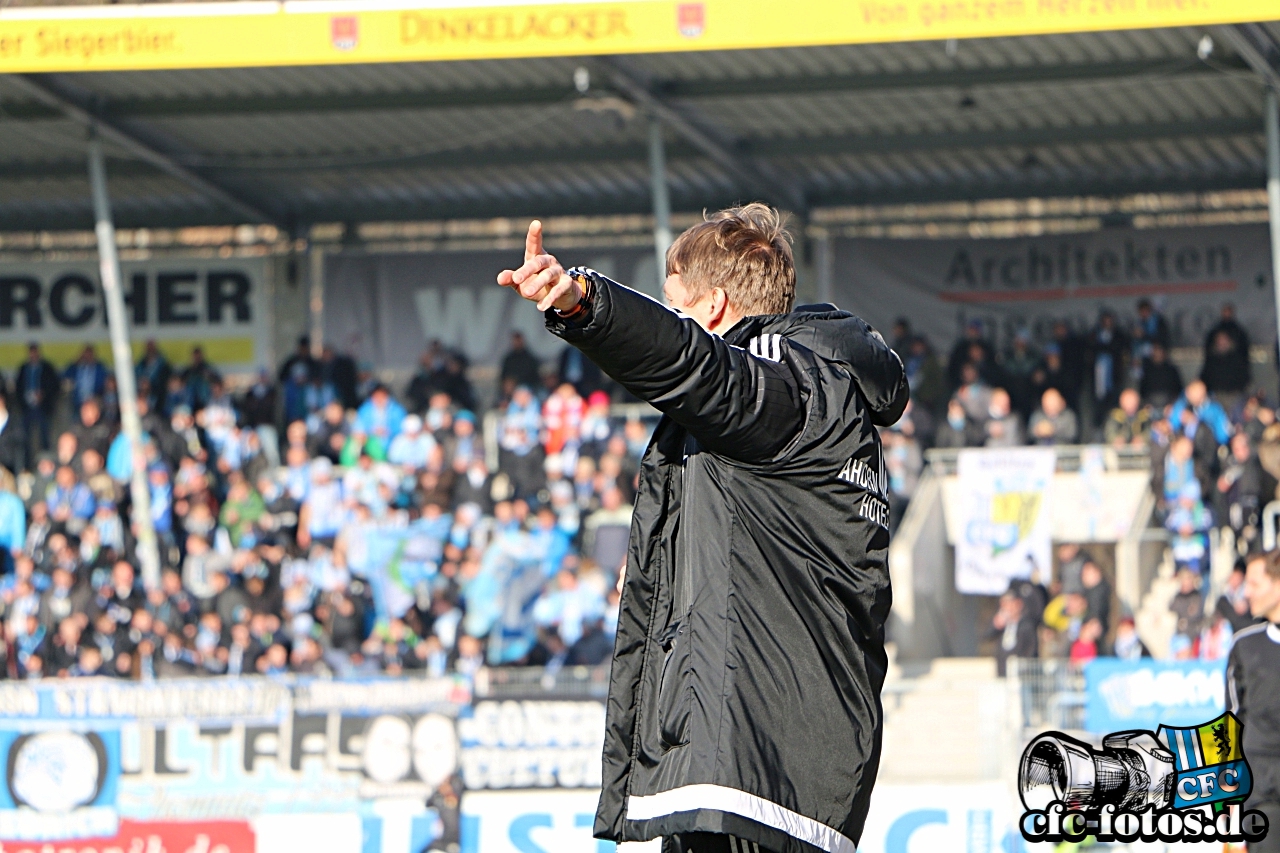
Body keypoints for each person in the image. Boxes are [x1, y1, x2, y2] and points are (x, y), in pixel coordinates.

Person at [498, 206, 908, 853]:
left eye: (675, 305)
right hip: (781, 766)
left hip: (752, 760)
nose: (674, 319)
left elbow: (694, 365)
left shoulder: (784, 383)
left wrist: (585, 305)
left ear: (713, 307)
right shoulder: (827, 400)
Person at [1226, 549, 1280, 853]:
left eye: (1255, 584)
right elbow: (1230, 722)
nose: (1246, 592)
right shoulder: (1244, 647)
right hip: (1262, 785)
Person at [15, 344, 59, 455]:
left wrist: (43, 395)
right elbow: (18, 387)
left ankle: (46, 461)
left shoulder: (47, 368)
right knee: (25, 438)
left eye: (35, 353)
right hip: (26, 407)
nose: (33, 356)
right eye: (31, 353)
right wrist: (23, 400)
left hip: (42, 407)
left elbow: (54, 386)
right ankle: (27, 464)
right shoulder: (23, 368)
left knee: (44, 436)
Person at [1202, 302, 1251, 400]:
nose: (1222, 343)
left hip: (1234, 396)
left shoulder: (1237, 361)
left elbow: (1244, 378)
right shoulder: (1212, 362)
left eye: (1224, 340)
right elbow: (1205, 377)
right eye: (1219, 341)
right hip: (1215, 396)